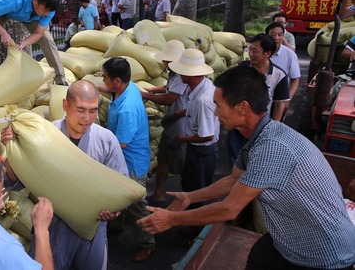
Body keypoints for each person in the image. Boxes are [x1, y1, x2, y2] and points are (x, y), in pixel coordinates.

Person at [137, 65, 355, 270]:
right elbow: (233, 180)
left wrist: (171, 219)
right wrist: (190, 197)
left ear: (242, 108)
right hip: (289, 239)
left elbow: (229, 209)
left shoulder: (271, 148)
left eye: (219, 106)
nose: (214, 113)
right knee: (258, 258)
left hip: (324, 255)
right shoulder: (259, 135)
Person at [0, 80, 128, 270]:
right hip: (53, 226)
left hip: (92, 228)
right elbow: (16, 180)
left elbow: (120, 186)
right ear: (65, 105)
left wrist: (114, 212)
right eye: (81, 110)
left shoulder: (106, 140)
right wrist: (11, 149)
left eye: (93, 111)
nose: (87, 118)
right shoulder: (44, 136)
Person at [99, 57, 156, 262]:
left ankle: (148, 243)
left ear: (116, 81)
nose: (102, 80)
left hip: (131, 163)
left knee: (137, 205)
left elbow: (120, 143)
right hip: (123, 159)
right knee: (116, 194)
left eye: (104, 78)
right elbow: (108, 89)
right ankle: (116, 224)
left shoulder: (128, 109)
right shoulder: (127, 87)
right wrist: (92, 87)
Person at [167, 48, 220, 245]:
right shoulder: (198, 87)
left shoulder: (203, 100)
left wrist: (181, 139)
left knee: (199, 192)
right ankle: (192, 224)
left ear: (191, 74)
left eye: (182, 71)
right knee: (191, 186)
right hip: (196, 149)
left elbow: (207, 135)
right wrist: (180, 114)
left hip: (202, 152)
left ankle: (199, 234)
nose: (180, 74)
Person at [0, 0, 67, 85]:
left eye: (49, 11)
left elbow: (38, 33)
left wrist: (22, 43)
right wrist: (3, 33)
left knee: (46, 38)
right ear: (35, 0)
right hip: (6, 10)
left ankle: (60, 80)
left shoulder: (49, 8)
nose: (47, 14)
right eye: (45, 10)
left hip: (30, 17)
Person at [228, 34, 290, 164]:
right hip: (238, 123)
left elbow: (279, 105)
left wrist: (273, 129)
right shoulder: (243, 68)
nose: (250, 53)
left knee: (256, 160)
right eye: (250, 49)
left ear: (267, 53)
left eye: (255, 50)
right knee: (235, 159)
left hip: (260, 127)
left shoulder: (279, 75)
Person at [142, 40, 188, 208]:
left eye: (167, 60)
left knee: (181, 164)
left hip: (181, 127)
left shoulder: (182, 75)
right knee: (163, 160)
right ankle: (159, 194)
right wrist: (154, 90)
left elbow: (170, 98)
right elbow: (169, 89)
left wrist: (147, 96)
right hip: (173, 125)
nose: (164, 63)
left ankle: (183, 200)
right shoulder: (175, 74)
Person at [266, 22, 300, 102]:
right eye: (272, 34)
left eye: (280, 35)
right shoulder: (260, 51)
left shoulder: (289, 54)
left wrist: (287, 99)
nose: (276, 38)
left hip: (279, 99)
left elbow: (295, 79)